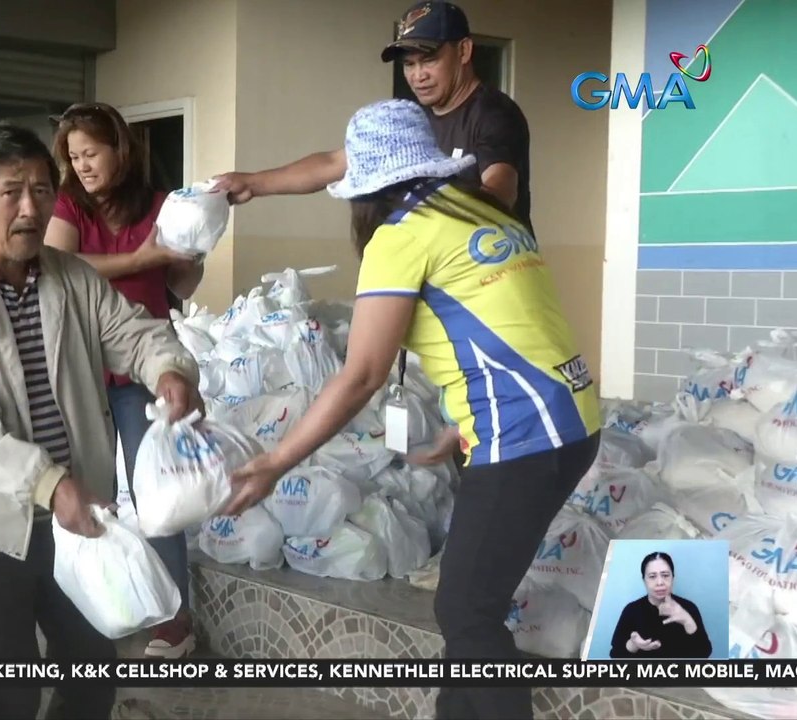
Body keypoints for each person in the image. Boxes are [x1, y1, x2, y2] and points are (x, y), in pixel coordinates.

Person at [219, 100, 600, 720]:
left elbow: (363, 373)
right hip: (573, 420)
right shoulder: (483, 211)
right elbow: (515, 324)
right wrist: (460, 419)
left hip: (522, 431)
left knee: (466, 612)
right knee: (470, 606)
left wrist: (275, 460)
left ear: (368, 190)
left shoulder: (401, 235)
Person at [0, 124, 202, 720]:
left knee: (91, 678)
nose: (30, 209)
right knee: (6, 695)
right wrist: (50, 484)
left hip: (79, 521)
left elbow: (138, 335)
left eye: (42, 191)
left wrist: (169, 371)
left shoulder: (73, 278)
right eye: (11, 192)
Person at [44, 102, 204, 658]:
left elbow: (181, 279)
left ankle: (172, 620)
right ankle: (96, 609)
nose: (82, 165)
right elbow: (62, 264)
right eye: (74, 156)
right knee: (90, 489)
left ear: (120, 149)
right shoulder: (67, 205)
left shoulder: (161, 205)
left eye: (91, 153)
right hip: (82, 367)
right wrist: (146, 256)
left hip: (144, 364)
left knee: (157, 491)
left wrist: (185, 257)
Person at [213, 1, 534, 232]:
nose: (418, 75)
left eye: (429, 60)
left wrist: (430, 230)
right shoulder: (412, 121)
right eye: (409, 64)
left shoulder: (494, 113)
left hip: (495, 273)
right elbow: (332, 164)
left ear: (463, 52)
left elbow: (502, 189)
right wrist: (252, 183)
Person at [609, 552, 712, 660]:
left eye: (665, 575)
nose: (659, 582)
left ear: (673, 577)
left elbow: (704, 653)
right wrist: (633, 645)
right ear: (644, 580)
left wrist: (688, 621)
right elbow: (615, 655)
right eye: (652, 576)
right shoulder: (631, 611)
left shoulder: (689, 607)